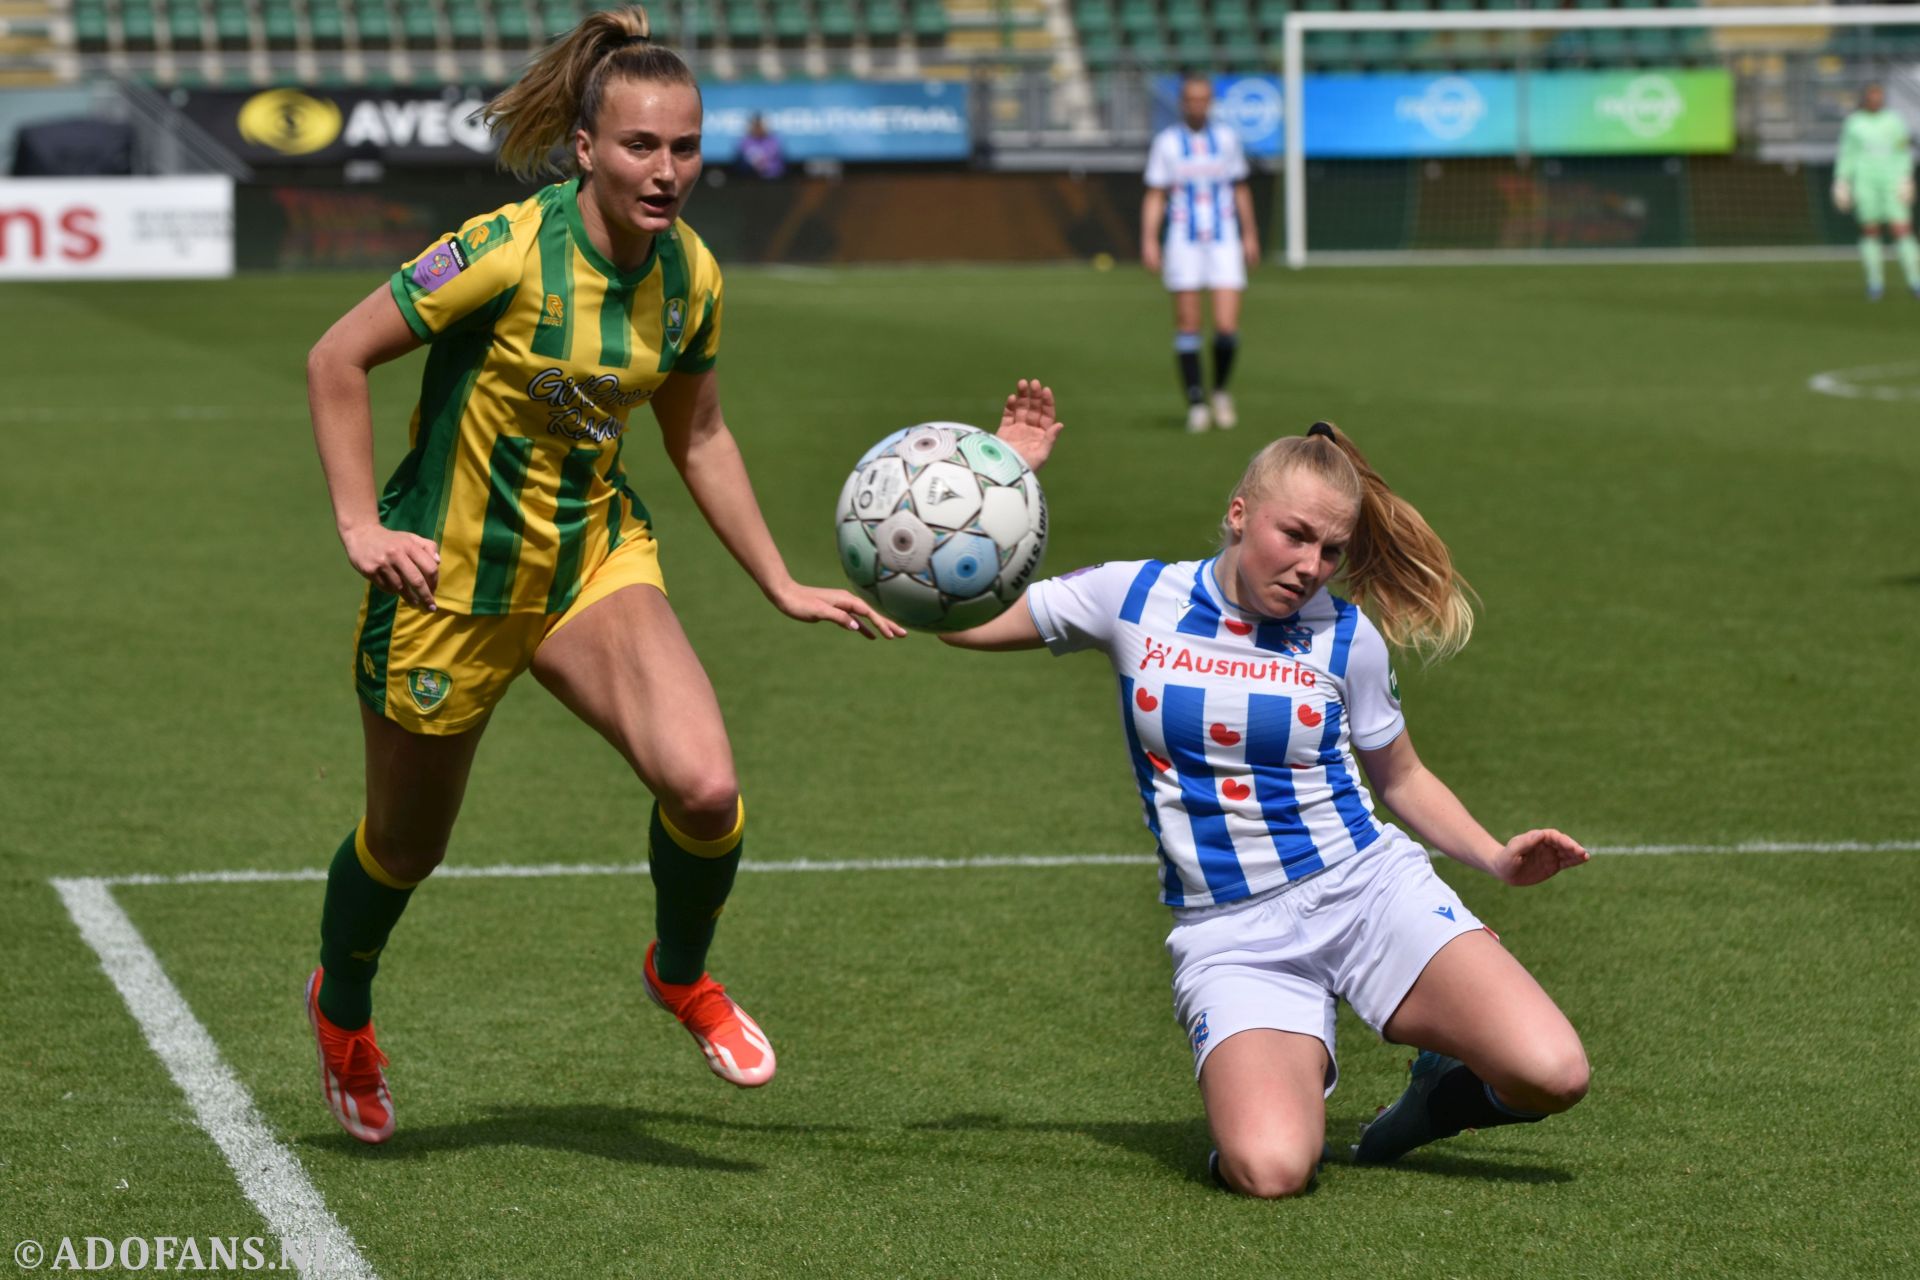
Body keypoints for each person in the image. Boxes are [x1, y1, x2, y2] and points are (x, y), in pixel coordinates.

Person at [299, 4, 1051, 1146]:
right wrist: (360, 522)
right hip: (446, 584)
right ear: (589, 148)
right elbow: (335, 356)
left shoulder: (690, 272)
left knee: (704, 788)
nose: (667, 171)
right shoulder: (504, 249)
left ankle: (680, 973)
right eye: (642, 146)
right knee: (407, 846)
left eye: (686, 147)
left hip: (592, 556)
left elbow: (698, 435)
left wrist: (779, 581)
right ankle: (342, 1008)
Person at [938, 421, 1590, 1196]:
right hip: (1233, 934)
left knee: (1553, 1073)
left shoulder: (1349, 636)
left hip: (1366, 892)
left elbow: (1403, 778)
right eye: (1296, 536)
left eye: (1331, 552)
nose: (1312, 567)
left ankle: (1436, 1095)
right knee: (1271, 1169)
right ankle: (1280, 1081)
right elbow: (964, 619)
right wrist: (1007, 481)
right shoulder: (1134, 596)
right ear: (1240, 512)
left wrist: (1495, 856)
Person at [1141, 74, 1260, 435]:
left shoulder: (1226, 139)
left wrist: (1250, 233)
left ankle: (1220, 391)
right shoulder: (1167, 143)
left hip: (1223, 240)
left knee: (1226, 326)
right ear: (1182, 102)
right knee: (1188, 323)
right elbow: (1156, 193)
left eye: (1203, 98)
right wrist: (1150, 238)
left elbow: (1240, 188)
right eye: (1190, 99)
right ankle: (1196, 404)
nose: (1197, 104)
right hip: (1183, 241)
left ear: (1210, 102)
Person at [1833, 82, 1919, 301]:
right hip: (1865, 182)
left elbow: (1903, 151)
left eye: (1879, 97)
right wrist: (1842, 180)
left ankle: (1914, 280)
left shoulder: (1894, 121)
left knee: (1902, 229)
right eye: (1872, 97)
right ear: (1865, 99)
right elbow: (1847, 153)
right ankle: (1875, 282)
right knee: (1870, 230)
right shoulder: (1854, 123)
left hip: (1892, 181)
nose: (1875, 101)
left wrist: (1906, 178)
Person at [738, 112, 785, 180]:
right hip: (750, 177)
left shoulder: (773, 140)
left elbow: (771, 156)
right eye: (755, 126)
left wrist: (762, 163)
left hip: (773, 177)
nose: (758, 128)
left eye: (760, 125)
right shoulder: (745, 141)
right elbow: (745, 157)